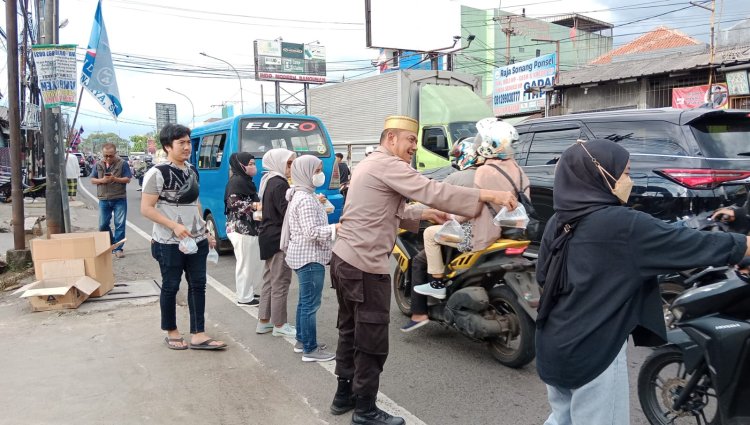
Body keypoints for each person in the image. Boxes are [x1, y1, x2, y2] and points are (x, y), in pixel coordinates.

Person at [535, 139, 750, 425]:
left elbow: (542, 275)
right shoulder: (622, 224)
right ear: (602, 174)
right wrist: (743, 246)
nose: (629, 180)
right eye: (624, 173)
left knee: (561, 419)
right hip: (594, 350)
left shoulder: (560, 219)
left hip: (553, 342)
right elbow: (691, 245)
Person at [328, 115, 517, 425]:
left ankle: (343, 394)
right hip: (364, 264)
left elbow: (389, 209)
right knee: (371, 339)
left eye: (415, 141)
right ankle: (365, 410)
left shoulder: (369, 164)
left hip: (345, 259)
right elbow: (433, 189)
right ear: (390, 138)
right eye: (410, 140)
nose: (414, 147)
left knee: (349, 330)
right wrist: (488, 195)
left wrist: (426, 214)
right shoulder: (388, 164)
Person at [413, 121, 529, 302]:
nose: (479, 144)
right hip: (512, 234)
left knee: (429, 233)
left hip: (482, 234)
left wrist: (451, 218)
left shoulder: (484, 171)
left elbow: (472, 209)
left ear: (492, 144)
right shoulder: (519, 171)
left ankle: (437, 285)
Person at [140, 123, 226, 351]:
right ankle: (172, 331)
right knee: (171, 285)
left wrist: (205, 232)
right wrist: (173, 226)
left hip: (196, 240)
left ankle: (198, 333)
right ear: (168, 146)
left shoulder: (191, 170)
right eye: (181, 143)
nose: (187, 147)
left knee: (198, 285)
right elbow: (146, 208)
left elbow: (195, 203)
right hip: (168, 242)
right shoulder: (157, 173)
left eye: (188, 142)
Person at [280, 155, 338, 362]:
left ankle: (302, 341)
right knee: (310, 305)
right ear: (305, 172)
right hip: (309, 258)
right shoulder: (304, 199)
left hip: (303, 256)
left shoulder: (303, 194)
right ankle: (310, 350)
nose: (320, 174)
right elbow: (311, 232)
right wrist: (335, 228)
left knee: (304, 302)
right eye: (316, 170)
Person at [256, 148, 297, 337]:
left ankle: (264, 321)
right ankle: (279, 324)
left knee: (269, 280)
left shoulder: (268, 180)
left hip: (267, 236)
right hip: (278, 237)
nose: (291, 167)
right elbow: (286, 212)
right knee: (280, 281)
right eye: (289, 163)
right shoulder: (279, 183)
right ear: (278, 162)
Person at [224, 152, 262, 306]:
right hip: (240, 228)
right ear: (241, 165)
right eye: (250, 163)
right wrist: (254, 206)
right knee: (245, 263)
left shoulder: (247, 181)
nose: (253, 166)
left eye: (254, 163)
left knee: (253, 261)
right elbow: (233, 204)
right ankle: (244, 297)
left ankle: (249, 291)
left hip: (250, 227)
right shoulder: (236, 182)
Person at [90, 142, 131, 258]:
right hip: (103, 198)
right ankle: (113, 242)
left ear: (115, 154)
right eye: (105, 155)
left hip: (119, 198)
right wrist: (102, 180)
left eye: (111, 155)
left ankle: (118, 248)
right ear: (102, 154)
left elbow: (128, 179)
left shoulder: (123, 164)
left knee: (119, 224)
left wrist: (115, 179)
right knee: (102, 225)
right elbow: (92, 179)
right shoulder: (98, 164)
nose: (108, 158)